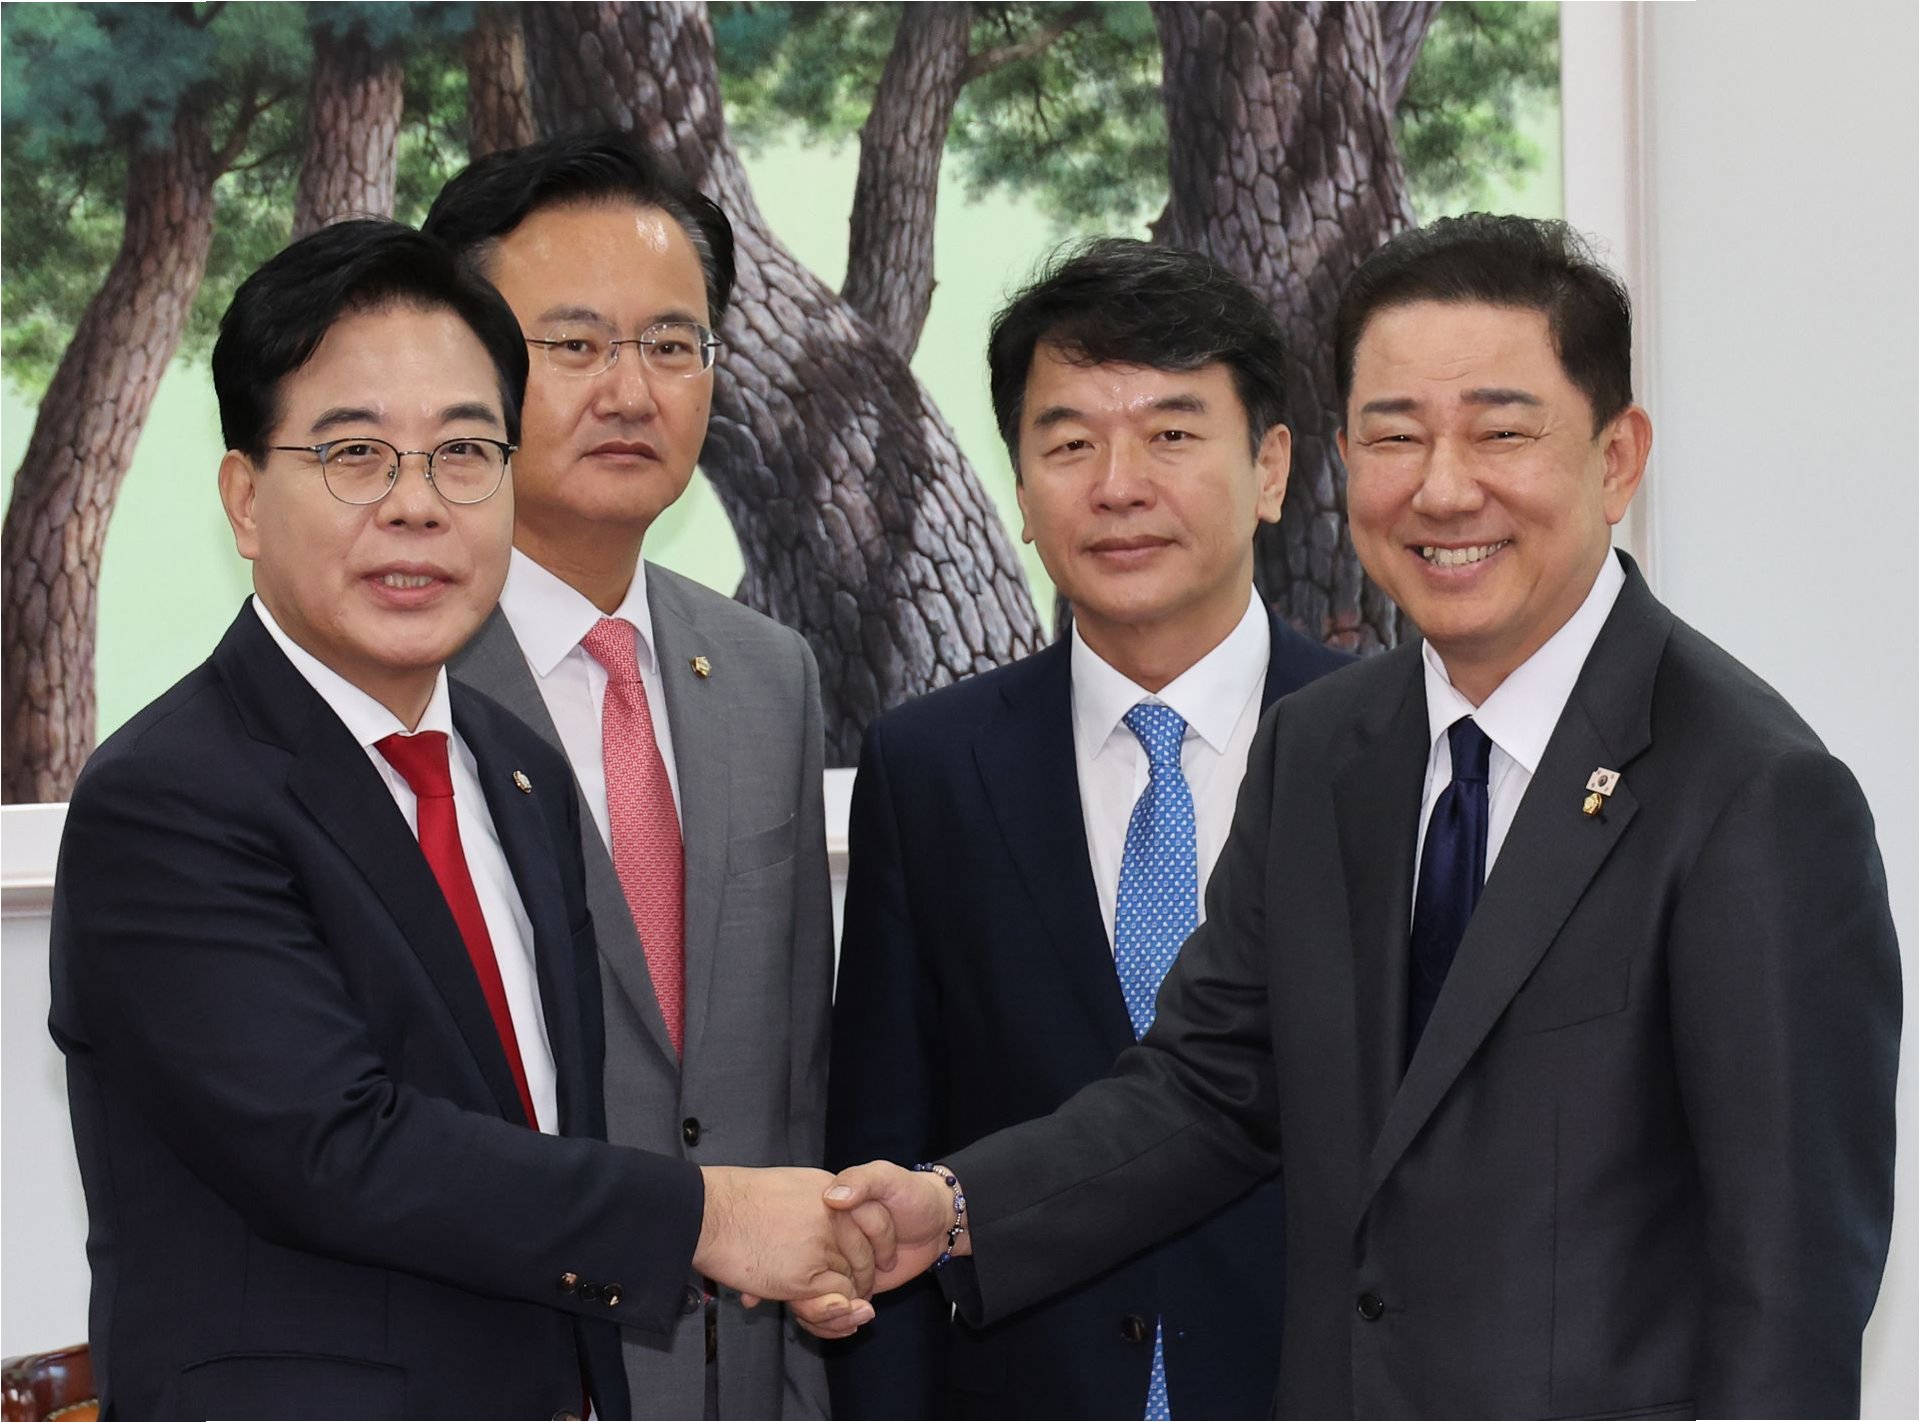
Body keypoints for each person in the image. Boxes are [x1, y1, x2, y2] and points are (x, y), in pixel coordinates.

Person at [819, 214, 1902, 1419]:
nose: (1443, 488)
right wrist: (951, 1209)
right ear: (1341, 461)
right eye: (1395, 436)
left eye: (1501, 431)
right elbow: (1210, 1089)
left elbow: (1789, 1300)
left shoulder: (1752, 794)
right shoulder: (1326, 747)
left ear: (1617, 457)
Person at [48, 220, 872, 1422]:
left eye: (465, 453)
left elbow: (542, 1141)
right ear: (245, 498)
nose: (418, 506)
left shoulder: (514, 770)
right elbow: (341, 1150)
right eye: (356, 455)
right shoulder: (168, 796)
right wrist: (716, 1217)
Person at [826, 238, 1350, 1420]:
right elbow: (884, 1148)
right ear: (1019, 489)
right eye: (1069, 444)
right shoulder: (931, 768)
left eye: (1172, 435)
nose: (1119, 486)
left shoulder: (1384, 748)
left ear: (1270, 468)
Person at [420, 132, 834, 1419]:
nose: (631, 390)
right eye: (576, 343)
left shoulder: (768, 674)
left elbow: (795, 1089)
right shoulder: (402, 683)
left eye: (671, 344)